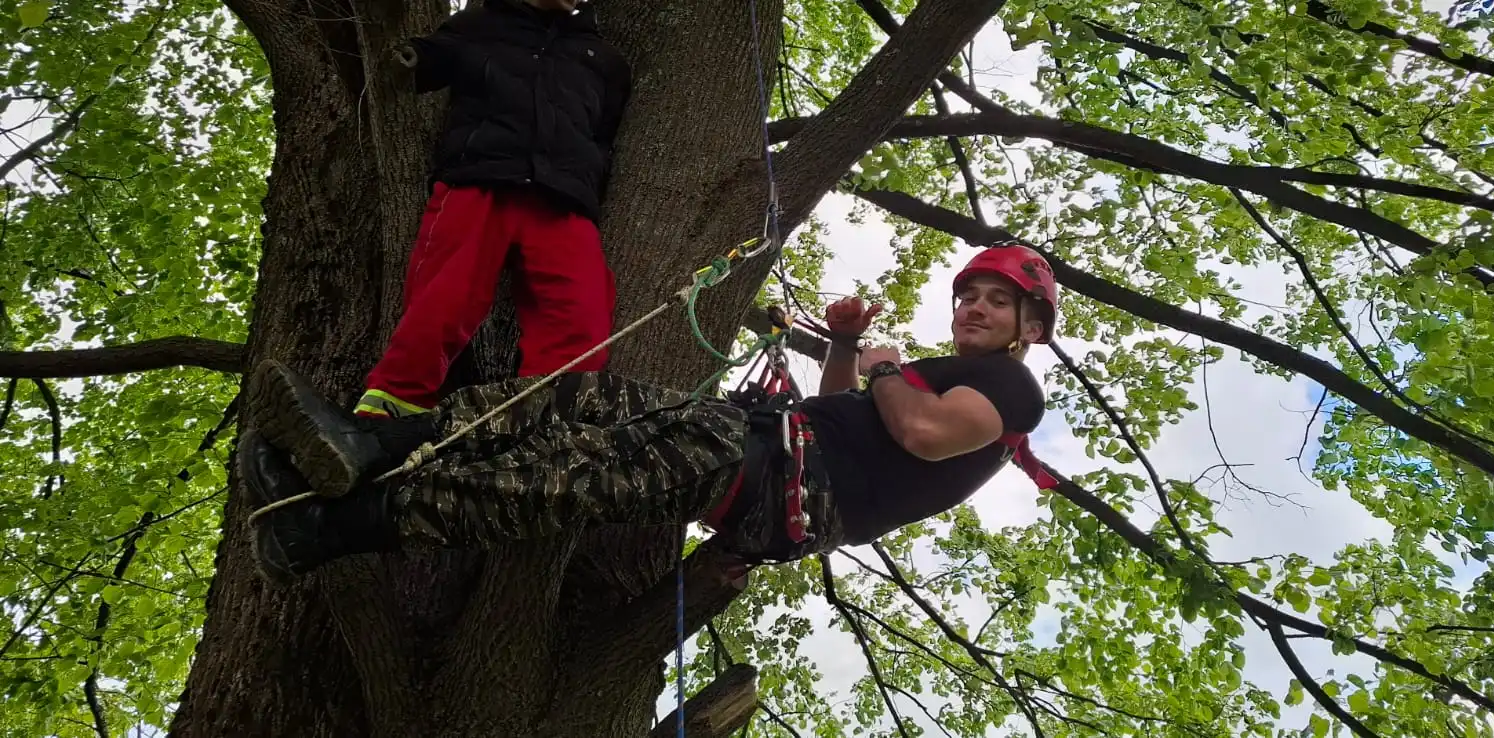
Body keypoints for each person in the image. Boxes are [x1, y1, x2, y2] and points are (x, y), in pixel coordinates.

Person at [238, 246, 1057, 583]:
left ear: (1031, 327)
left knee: (559, 478)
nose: (976, 309)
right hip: (759, 440)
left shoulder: (1011, 393)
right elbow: (837, 407)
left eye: (998, 301)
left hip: (769, 482)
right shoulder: (931, 373)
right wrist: (848, 346)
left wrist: (884, 367)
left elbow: (920, 431)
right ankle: (370, 443)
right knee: (571, 398)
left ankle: (320, 530)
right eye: (968, 295)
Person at [354, 0, 631, 419]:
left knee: (581, 317)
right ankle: (390, 407)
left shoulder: (604, 60)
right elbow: (431, 57)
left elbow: (604, 134)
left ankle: (543, 426)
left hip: (563, 200)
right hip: (479, 179)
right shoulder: (481, 24)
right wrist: (413, 57)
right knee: (442, 300)